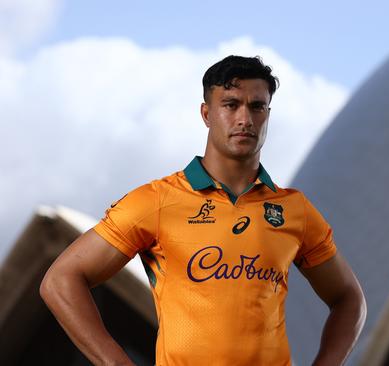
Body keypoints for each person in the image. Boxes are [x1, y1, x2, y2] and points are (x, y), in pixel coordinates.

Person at [40, 55, 367, 366]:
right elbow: (61, 280)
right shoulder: (157, 201)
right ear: (207, 114)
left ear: (268, 113)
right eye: (230, 105)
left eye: (257, 107)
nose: (245, 119)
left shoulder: (294, 209)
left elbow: (349, 299)